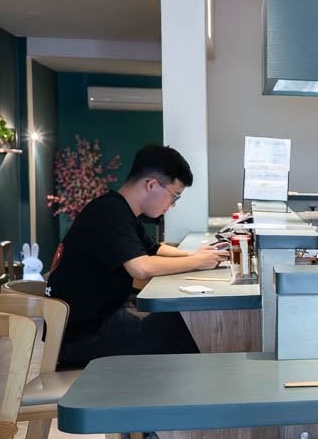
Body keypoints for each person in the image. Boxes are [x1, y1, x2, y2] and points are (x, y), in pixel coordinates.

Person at [50, 144, 226, 369]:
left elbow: (155, 250)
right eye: (174, 196)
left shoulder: (122, 210)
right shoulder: (110, 212)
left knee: (176, 322)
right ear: (151, 185)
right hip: (84, 334)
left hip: (98, 318)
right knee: (181, 331)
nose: (172, 205)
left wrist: (195, 254)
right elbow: (141, 268)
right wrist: (197, 262)